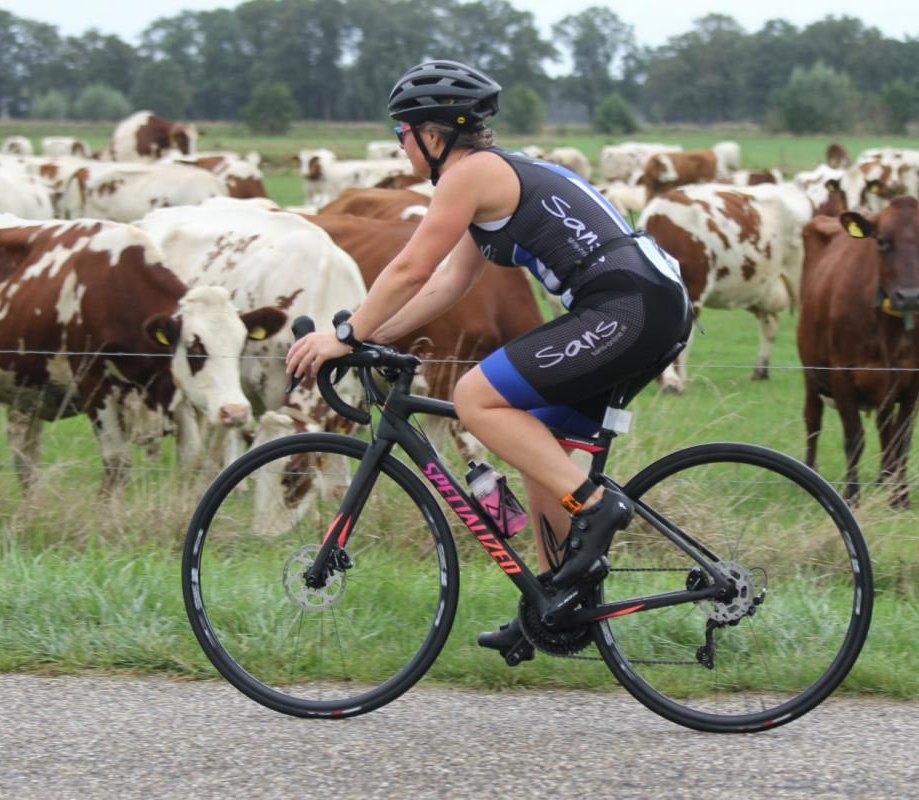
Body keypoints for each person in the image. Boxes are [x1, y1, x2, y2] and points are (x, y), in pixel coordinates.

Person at [286, 59, 691, 659]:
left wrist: (344, 334)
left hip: (625, 307)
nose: (399, 145)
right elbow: (446, 285)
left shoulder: (470, 174)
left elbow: (410, 266)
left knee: (475, 396)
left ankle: (600, 508)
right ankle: (555, 604)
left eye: (402, 132)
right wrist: (378, 339)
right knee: (541, 450)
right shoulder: (489, 180)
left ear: (433, 134)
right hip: (645, 303)